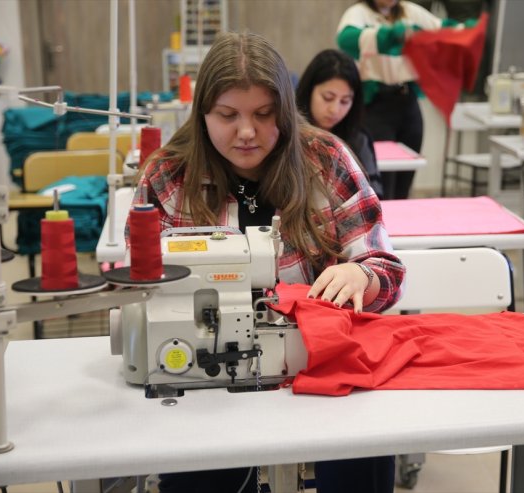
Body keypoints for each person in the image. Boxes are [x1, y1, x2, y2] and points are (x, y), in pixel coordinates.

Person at [130, 31, 405, 493]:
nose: (246, 132)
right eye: (227, 115)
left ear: (285, 110)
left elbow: (387, 269)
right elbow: (142, 290)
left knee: (365, 454)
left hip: (317, 371)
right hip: (205, 381)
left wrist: (362, 274)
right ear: (202, 115)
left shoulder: (326, 161)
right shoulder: (166, 176)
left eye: (263, 114)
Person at [336, 0, 462, 199]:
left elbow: (443, 30)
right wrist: (391, 35)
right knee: (381, 182)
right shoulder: (358, 13)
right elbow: (346, 40)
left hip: (408, 103)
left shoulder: (410, 11)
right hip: (376, 106)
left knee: (406, 180)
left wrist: (463, 31)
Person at [296, 49, 385, 199]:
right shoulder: (287, 133)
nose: (335, 110)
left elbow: (375, 197)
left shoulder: (358, 139)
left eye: (345, 101)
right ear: (308, 90)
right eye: (327, 97)